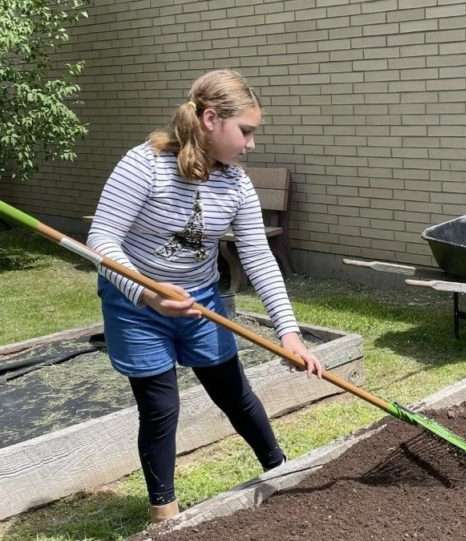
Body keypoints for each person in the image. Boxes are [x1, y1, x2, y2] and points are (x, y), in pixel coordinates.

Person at [87, 69, 323, 523]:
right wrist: (145, 293)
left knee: (233, 391)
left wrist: (289, 333)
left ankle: (282, 470)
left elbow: (258, 256)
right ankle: (167, 518)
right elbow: (103, 239)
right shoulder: (143, 165)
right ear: (211, 119)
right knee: (160, 410)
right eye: (246, 131)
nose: (251, 143)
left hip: (199, 303)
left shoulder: (234, 183)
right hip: (137, 306)